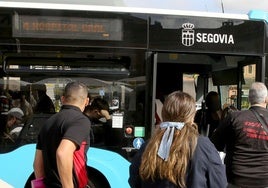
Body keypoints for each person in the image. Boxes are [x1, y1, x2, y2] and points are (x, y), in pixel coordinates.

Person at [129, 91, 227, 188]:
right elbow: (219, 183)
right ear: (192, 117)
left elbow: (134, 180)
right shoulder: (202, 145)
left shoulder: (149, 145)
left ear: (164, 113)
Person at [33, 81, 90, 187]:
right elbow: (63, 153)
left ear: (63, 99)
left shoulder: (48, 122)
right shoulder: (81, 121)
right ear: (86, 101)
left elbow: (37, 164)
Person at [211, 82, 268, 188]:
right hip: (265, 181)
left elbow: (215, 144)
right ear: (266, 99)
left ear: (250, 99)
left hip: (237, 180)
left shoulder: (234, 117)